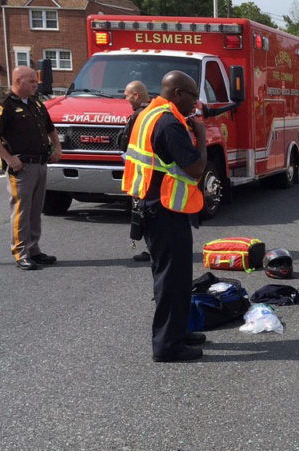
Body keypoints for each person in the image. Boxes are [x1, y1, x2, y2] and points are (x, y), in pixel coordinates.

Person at [123, 70, 208, 362]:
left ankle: (177, 331)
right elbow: (195, 169)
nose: (196, 103)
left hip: (153, 204)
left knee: (178, 276)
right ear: (177, 94)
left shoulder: (147, 113)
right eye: (193, 97)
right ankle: (167, 346)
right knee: (171, 279)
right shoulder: (169, 122)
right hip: (164, 209)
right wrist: (202, 138)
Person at [0, 66, 61, 271]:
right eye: (32, 82)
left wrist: (57, 146)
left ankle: (34, 249)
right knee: (21, 211)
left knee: (35, 210)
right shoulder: (4, 106)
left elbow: (50, 128)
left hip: (40, 163)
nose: (36, 85)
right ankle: (21, 252)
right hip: (22, 167)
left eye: (36, 82)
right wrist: (9, 159)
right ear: (18, 82)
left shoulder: (35, 103)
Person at [121, 80, 153, 262]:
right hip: (149, 174)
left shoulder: (138, 115)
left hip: (142, 174)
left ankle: (151, 249)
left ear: (136, 95)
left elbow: (125, 142)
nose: (126, 99)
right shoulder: (152, 112)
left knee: (142, 213)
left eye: (127, 95)